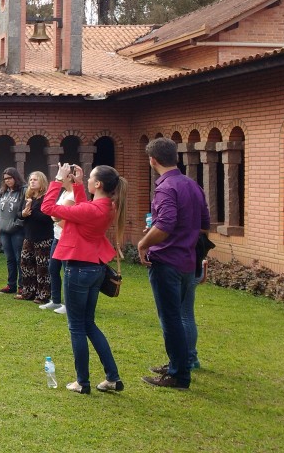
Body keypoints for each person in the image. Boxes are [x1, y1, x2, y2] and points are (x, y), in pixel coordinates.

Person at [41, 162, 126, 395]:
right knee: (88, 323)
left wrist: (58, 180)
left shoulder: (92, 210)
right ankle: (112, 377)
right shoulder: (106, 205)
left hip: (78, 269)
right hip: (95, 267)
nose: (86, 179)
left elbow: (48, 208)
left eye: (90, 178)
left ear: (98, 184)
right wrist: (78, 185)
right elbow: (85, 207)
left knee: (77, 327)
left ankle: (82, 382)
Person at [138, 137, 210, 391]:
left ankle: (179, 375)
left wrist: (143, 243)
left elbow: (165, 224)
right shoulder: (192, 185)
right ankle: (176, 364)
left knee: (170, 318)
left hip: (167, 260)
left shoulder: (166, 188)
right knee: (178, 316)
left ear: (152, 160)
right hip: (187, 260)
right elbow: (203, 224)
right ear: (175, 158)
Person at [16, 171, 54, 303]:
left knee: (42, 267)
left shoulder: (46, 198)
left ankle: (43, 294)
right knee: (26, 264)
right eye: (30, 179)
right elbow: (19, 214)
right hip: (29, 237)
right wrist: (24, 213)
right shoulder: (28, 197)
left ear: (42, 182)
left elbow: (47, 218)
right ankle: (28, 292)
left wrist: (30, 211)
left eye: (35, 180)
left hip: (43, 238)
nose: (32, 182)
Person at [40, 190, 76, 314]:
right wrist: (55, 215)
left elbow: (56, 215)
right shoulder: (65, 192)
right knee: (53, 268)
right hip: (57, 236)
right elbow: (54, 214)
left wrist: (54, 215)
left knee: (67, 272)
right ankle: (55, 300)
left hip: (66, 238)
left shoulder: (72, 195)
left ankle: (68, 304)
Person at [0, 167, 27, 294]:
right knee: (10, 259)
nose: (7, 181)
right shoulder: (3, 192)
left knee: (19, 258)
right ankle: (11, 285)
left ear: (16, 177)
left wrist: (17, 224)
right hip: (4, 231)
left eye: (10, 178)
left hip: (17, 231)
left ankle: (22, 286)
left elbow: (25, 211)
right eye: (5, 179)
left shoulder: (23, 191)